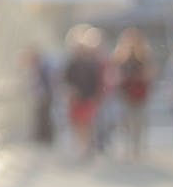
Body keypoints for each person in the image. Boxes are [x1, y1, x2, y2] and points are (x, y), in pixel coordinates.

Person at [64, 26, 105, 160]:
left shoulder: (91, 64)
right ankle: (82, 146)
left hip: (87, 98)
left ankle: (86, 147)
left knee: (87, 123)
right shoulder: (71, 64)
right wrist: (70, 92)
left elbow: (95, 82)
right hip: (76, 99)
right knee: (77, 123)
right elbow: (65, 80)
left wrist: (95, 96)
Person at [113, 27, 154, 160]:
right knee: (125, 123)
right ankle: (127, 148)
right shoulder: (120, 58)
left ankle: (136, 148)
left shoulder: (144, 58)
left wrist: (139, 77)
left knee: (138, 122)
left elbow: (149, 76)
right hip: (125, 95)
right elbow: (116, 76)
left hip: (140, 94)